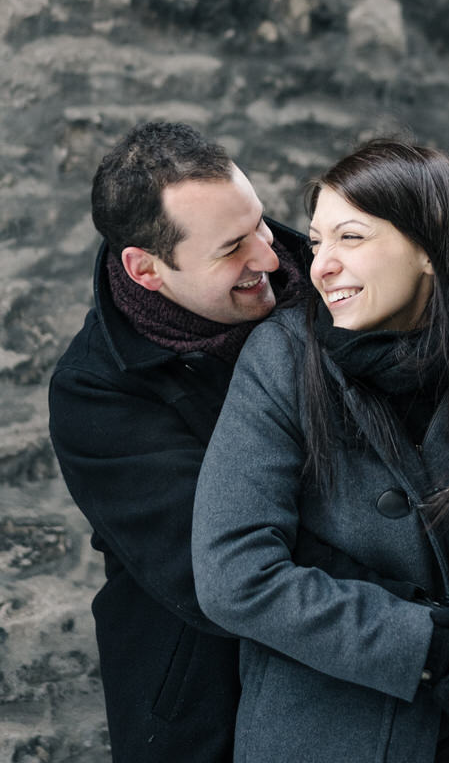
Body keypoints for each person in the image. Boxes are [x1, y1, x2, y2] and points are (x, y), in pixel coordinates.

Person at [192, 138, 449, 763]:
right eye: (316, 242)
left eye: (351, 238)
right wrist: (426, 647)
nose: (319, 266)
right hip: (320, 742)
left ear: (430, 250)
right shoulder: (282, 357)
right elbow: (234, 573)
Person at [48, 120, 312, 763]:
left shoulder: (337, 282)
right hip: (207, 706)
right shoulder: (96, 394)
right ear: (145, 270)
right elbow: (218, 570)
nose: (271, 257)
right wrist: (426, 626)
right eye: (232, 249)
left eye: (261, 223)